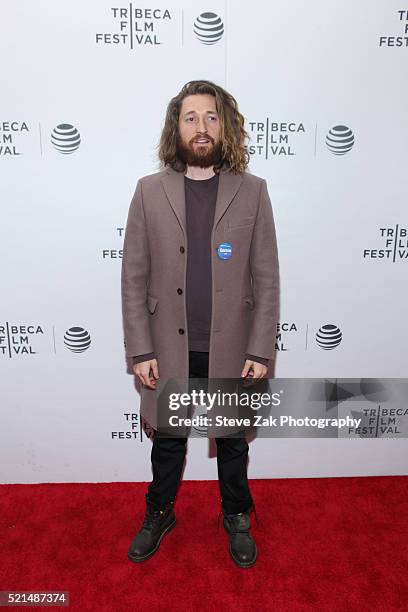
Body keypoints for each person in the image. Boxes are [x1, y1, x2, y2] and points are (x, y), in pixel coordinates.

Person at [121, 79, 280, 568]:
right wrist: (141, 350)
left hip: (231, 347)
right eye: (191, 117)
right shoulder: (148, 192)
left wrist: (259, 350)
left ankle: (236, 516)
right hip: (168, 347)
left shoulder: (253, 191)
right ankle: (159, 512)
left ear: (224, 125)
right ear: (177, 127)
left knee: (231, 440)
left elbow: (267, 278)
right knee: (169, 440)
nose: (202, 127)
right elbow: (134, 277)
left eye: (211, 117)